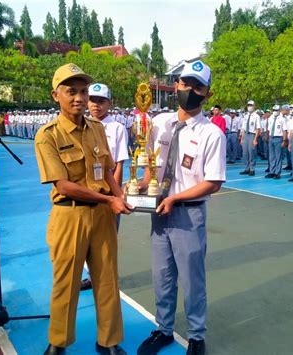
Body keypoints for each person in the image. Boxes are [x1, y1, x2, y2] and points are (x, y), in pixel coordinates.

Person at [34, 63, 131, 355]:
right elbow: (63, 185)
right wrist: (109, 200)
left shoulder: (97, 130)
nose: (79, 98)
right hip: (70, 215)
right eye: (71, 91)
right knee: (67, 282)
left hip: (102, 216)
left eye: (83, 91)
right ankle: (59, 342)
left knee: (107, 279)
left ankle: (109, 341)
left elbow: (110, 169)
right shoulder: (47, 135)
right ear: (56, 95)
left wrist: (120, 197)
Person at [137, 60, 225, 355]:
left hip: (188, 215)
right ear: (176, 85)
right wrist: (139, 185)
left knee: (191, 278)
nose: (190, 90)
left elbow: (213, 182)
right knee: (162, 275)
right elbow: (151, 164)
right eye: (186, 83)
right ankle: (163, 329)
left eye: (197, 86)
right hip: (158, 213)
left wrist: (175, 198)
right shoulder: (159, 122)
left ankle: (196, 336)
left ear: (207, 94)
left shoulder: (212, 134)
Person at [80, 83, 130, 292]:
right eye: (92, 100)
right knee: (88, 238)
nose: (96, 105)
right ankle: (92, 276)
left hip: (108, 191)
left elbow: (118, 163)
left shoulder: (116, 128)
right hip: (88, 191)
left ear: (109, 103)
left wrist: (114, 193)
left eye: (101, 101)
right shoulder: (82, 124)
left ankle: (107, 277)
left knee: (107, 238)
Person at [266, 105, 288, 179]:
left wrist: (284, 140)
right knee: (271, 156)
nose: (275, 111)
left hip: (279, 138)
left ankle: (277, 173)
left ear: (279, 110)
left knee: (278, 156)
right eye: (274, 110)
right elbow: (268, 129)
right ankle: (271, 172)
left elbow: (285, 130)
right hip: (271, 138)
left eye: (276, 110)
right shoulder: (270, 118)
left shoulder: (282, 119)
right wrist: (268, 137)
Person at [239, 100, 260, 176]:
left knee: (251, 152)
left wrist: (255, 139)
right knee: (245, 153)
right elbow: (243, 128)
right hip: (245, 135)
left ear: (254, 106)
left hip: (252, 135)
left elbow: (258, 128)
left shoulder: (256, 116)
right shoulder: (246, 115)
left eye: (251, 105)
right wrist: (242, 138)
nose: (249, 107)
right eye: (248, 105)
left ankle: (252, 169)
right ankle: (247, 168)